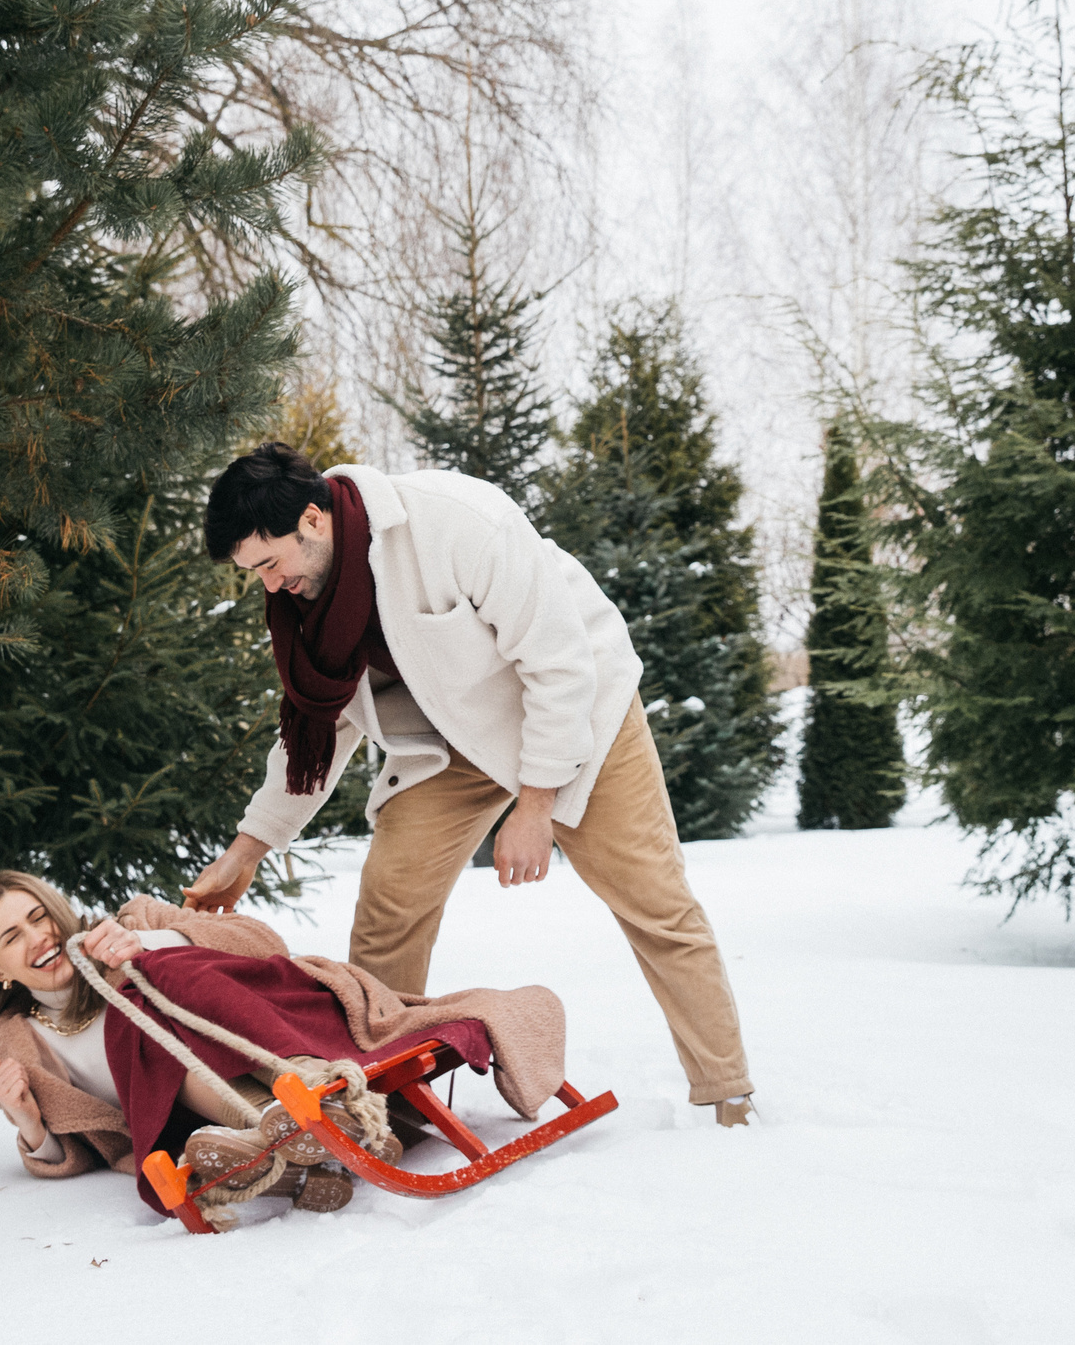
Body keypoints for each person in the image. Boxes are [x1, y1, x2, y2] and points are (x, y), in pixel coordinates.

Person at [181, 444, 757, 1125]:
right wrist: (249, 847)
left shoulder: (454, 522)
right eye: (255, 574)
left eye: (268, 563)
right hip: (448, 741)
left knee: (652, 895)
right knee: (391, 898)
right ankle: (377, 1103)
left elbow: (560, 661)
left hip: (571, 708)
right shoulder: (308, 600)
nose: (269, 585)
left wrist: (536, 801)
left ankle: (727, 1091)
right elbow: (319, 728)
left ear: (312, 519)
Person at [0, 870, 569, 1222]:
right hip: (180, 1120)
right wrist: (31, 1125)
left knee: (148, 982)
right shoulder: (20, 1043)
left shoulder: (132, 924)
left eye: (39, 915)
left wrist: (153, 944)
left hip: (290, 1038)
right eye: (12, 937)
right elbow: (89, 1143)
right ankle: (294, 1136)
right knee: (139, 1036)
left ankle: (300, 1108)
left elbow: (262, 948)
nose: (37, 937)